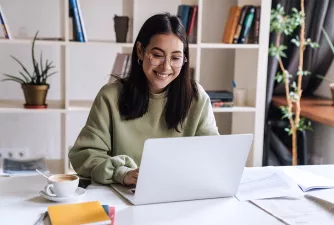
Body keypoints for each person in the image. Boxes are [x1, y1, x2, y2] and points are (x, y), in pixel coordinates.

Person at [68, 13, 219, 187]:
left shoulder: (197, 98)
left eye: (176, 58)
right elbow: (84, 155)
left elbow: (211, 155)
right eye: (157, 55)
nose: (166, 66)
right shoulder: (110, 96)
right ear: (140, 51)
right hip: (124, 193)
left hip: (180, 191)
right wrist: (121, 173)